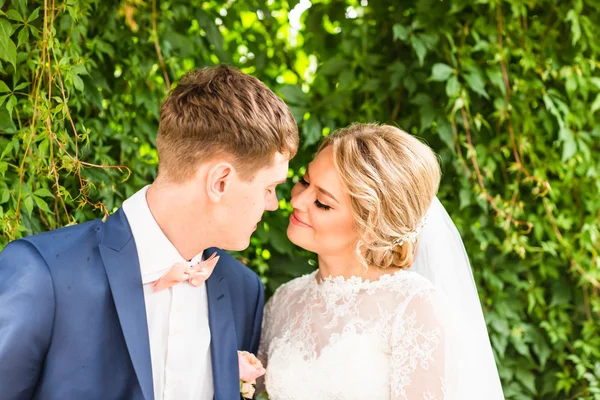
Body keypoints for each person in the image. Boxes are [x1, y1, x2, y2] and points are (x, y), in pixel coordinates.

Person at [0, 65, 298, 400]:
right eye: (270, 187)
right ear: (220, 182)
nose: (273, 204)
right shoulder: (43, 273)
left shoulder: (243, 292)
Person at [259, 123, 504, 399]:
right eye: (304, 181)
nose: (298, 201)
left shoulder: (414, 308)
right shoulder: (284, 300)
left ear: (371, 228)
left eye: (323, 203)